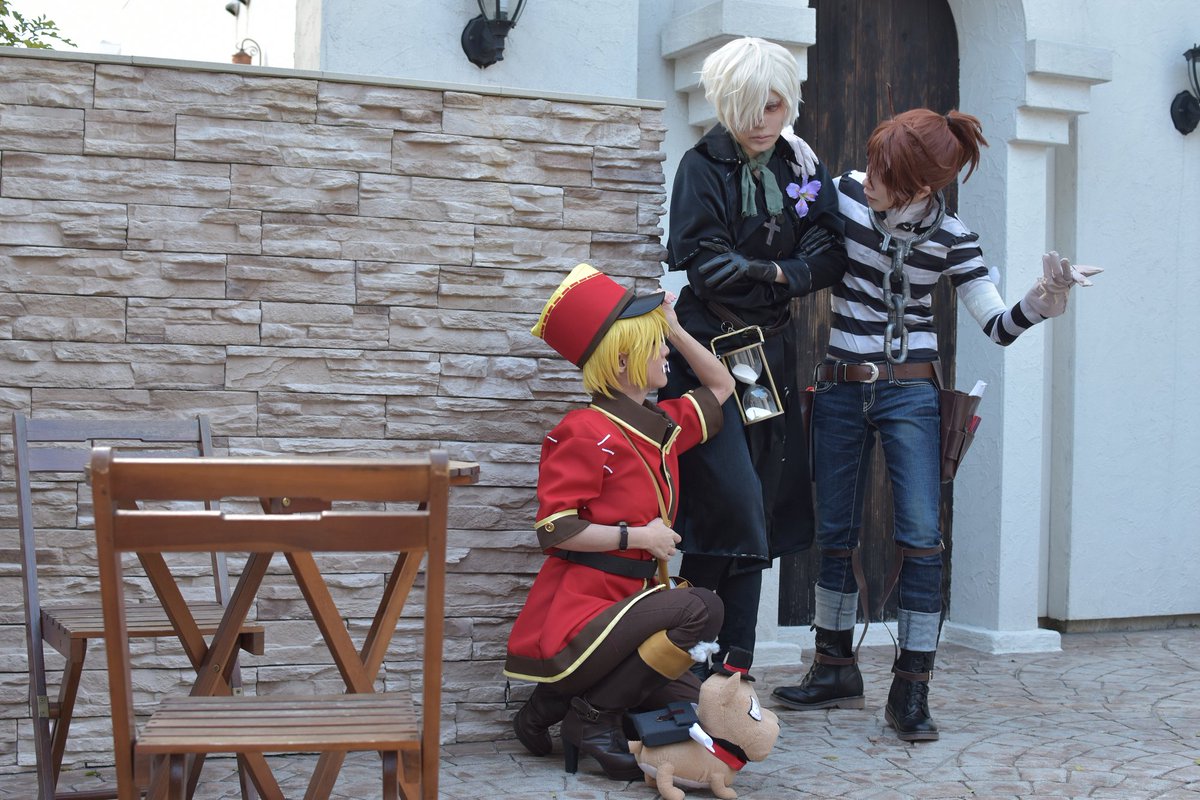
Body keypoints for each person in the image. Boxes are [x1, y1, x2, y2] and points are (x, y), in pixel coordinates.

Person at [771, 108, 1101, 741]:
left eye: (885, 173)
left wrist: (1044, 300)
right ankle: (834, 666)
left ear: (921, 185)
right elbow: (792, 207)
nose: (869, 179)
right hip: (839, 385)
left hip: (911, 393)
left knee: (922, 537)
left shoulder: (953, 237)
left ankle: (912, 688)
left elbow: (997, 325)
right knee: (834, 531)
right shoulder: (842, 196)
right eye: (872, 163)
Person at [659, 36, 848, 668]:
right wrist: (788, 269)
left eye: (774, 106)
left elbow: (831, 254)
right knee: (723, 505)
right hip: (708, 352)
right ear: (724, 102)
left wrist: (766, 271)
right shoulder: (701, 166)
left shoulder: (801, 163)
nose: (762, 121)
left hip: (766, 357)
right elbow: (707, 268)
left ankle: (730, 668)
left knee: (755, 510)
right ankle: (681, 662)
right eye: (748, 107)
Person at [504, 263, 735, 781]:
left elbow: (721, 384)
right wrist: (640, 536)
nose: (666, 353)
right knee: (703, 607)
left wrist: (673, 326)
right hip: (585, 609)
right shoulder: (583, 430)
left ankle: (545, 709)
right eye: (656, 344)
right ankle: (592, 718)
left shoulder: (662, 427)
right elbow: (554, 529)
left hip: (637, 602)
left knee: (699, 707)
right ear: (625, 358)